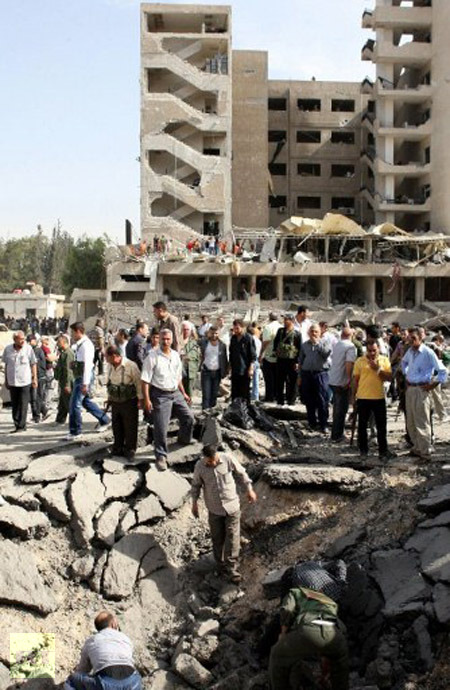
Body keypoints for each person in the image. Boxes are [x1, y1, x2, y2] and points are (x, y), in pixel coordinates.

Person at [269, 564, 349, 690]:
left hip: (309, 629)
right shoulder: (329, 601)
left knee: (276, 656)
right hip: (335, 634)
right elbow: (339, 630)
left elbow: (286, 611)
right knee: (340, 670)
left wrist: (283, 634)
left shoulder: (297, 591)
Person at [191, 444, 257, 584]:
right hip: (214, 508)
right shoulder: (199, 466)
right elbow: (196, 485)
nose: (213, 463)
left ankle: (232, 568)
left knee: (232, 536)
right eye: (209, 462)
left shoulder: (227, 458)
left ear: (217, 455)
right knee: (217, 537)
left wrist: (249, 490)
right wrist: (194, 503)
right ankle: (221, 566)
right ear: (204, 459)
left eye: (214, 460)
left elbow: (242, 473)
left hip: (232, 506)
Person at [141, 328, 194, 471]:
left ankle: (183, 440)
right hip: (160, 394)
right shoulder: (152, 357)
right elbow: (145, 380)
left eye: (168, 339)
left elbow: (178, 378)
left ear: (172, 340)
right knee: (161, 426)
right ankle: (160, 455)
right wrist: (146, 399)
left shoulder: (176, 355)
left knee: (188, 418)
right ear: (158, 339)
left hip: (175, 392)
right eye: (163, 339)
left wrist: (184, 393)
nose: (165, 341)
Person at [64, 610, 142, 690]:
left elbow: (84, 670)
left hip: (106, 684)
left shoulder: (91, 641)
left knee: (71, 681)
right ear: (113, 624)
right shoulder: (126, 638)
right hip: (133, 683)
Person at [402, 327, 448, 462]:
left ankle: (426, 452)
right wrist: (406, 373)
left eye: (413, 339)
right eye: (409, 339)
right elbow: (404, 362)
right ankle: (417, 447)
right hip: (410, 389)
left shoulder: (428, 352)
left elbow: (442, 371)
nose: (411, 341)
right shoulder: (410, 352)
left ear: (420, 338)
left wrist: (432, 385)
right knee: (411, 421)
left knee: (422, 422)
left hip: (422, 390)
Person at [66, 322, 110, 440]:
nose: (72, 335)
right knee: (85, 402)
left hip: (83, 378)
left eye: (72, 332)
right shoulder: (80, 345)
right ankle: (104, 419)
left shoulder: (86, 345)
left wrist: (85, 383)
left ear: (78, 331)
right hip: (80, 376)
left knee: (75, 404)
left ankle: (76, 431)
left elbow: (87, 366)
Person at [353, 340, 395, 460]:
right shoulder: (359, 361)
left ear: (378, 349)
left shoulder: (384, 360)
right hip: (363, 397)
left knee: (381, 426)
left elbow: (389, 378)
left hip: (379, 398)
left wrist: (377, 369)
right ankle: (363, 451)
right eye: (369, 350)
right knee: (362, 427)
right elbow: (355, 381)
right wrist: (353, 397)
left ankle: (383, 451)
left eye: (374, 350)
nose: (371, 353)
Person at [105, 345, 143, 459]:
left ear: (115, 356)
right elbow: (109, 383)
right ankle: (118, 448)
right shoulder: (110, 366)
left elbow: (138, 383)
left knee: (130, 426)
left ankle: (130, 449)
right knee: (116, 425)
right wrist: (109, 398)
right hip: (116, 401)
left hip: (129, 401)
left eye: (107, 357)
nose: (106, 359)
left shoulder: (130, 366)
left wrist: (141, 400)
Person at [299, 324, 332, 432]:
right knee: (309, 400)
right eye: (312, 331)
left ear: (320, 333)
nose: (314, 334)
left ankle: (324, 424)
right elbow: (301, 360)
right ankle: (312, 423)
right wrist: (300, 375)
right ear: (308, 333)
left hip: (321, 374)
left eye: (316, 332)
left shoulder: (325, 343)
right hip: (307, 374)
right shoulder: (304, 345)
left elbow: (326, 354)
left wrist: (317, 344)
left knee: (322, 400)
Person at [2, 330, 37, 431]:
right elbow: (6, 365)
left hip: (25, 381)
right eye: (20, 339)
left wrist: (34, 378)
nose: (23, 341)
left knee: (23, 404)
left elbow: (33, 363)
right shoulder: (8, 349)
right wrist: (6, 380)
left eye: (23, 339)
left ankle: (22, 425)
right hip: (13, 381)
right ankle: (17, 423)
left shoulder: (28, 349)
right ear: (15, 340)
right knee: (15, 404)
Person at [328, 328, 357, 443]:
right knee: (341, 409)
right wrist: (349, 379)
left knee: (337, 407)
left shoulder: (337, 344)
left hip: (333, 379)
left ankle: (336, 433)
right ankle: (337, 435)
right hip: (342, 381)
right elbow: (349, 364)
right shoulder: (350, 347)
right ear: (351, 335)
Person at [274, 314, 301, 406]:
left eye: (287, 320)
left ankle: (291, 400)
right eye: (284, 320)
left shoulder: (297, 334)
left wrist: (297, 362)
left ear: (292, 321)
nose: (285, 321)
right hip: (281, 360)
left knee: (292, 381)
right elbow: (275, 343)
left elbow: (299, 348)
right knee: (279, 381)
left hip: (292, 361)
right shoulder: (280, 331)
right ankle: (280, 400)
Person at [199, 326, 228, 410]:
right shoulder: (204, 343)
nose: (214, 335)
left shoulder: (222, 345)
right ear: (209, 333)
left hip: (217, 372)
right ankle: (204, 414)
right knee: (206, 395)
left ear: (219, 334)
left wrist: (225, 371)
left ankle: (211, 416)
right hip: (206, 372)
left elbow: (224, 359)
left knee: (214, 395)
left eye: (216, 333)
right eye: (212, 333)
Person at [229, 319, 256, 402]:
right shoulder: (233, 338)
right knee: (235, 392)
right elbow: (231, 353)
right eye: (234, 328)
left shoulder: (248, 338)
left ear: (242, 327)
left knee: (244, 392)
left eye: (237, 328)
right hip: (235, 369)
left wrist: (251, 368)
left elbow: (253, 355)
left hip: (245, 369)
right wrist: (229, 367)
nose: (235, 330)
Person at [259, 312, 281, 403]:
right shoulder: (281, 327)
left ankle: (269, 397)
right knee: (277, 378)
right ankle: (277, 396)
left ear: (269, 318)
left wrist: (261, 354)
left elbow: (265, 342)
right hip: (279, 356)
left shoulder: (268, 327)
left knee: (269, 378)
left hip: (269, 356)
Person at [27, 333, 49, 423]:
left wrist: (35, 376)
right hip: (35, 377)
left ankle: (36, 417)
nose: (28, 343)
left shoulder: (37, 351)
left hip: (39, 377)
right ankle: (44, 411)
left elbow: (38, 365)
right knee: (34, 397)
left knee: (35, 397)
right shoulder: (33, 350)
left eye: (30, 341)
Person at [54, 334, 74, 424]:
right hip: (62, 381)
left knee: (68, 402)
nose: (57, 344)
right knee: (62, 401)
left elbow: (68, 370)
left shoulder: (68, 353)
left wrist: (67, 385)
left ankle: (74, 420)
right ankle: (60, 419)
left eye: (58, 342)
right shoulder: (63, 352)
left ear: (63, 342)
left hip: (66, 382)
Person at [179, 321, 201, 399]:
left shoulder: (194, 343)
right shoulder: (177, 342)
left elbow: (198, 357)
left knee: (189, 394)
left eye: (187, 329)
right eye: (183, 329)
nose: (185, 331)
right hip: (179, 373)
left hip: (190, 372)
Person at [248, 325, 262, 402]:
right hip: (256, 360)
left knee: (248, 378)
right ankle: (255, 396)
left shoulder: (249, 339)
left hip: (251, 360)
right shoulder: (258, 340)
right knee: (256, 379)